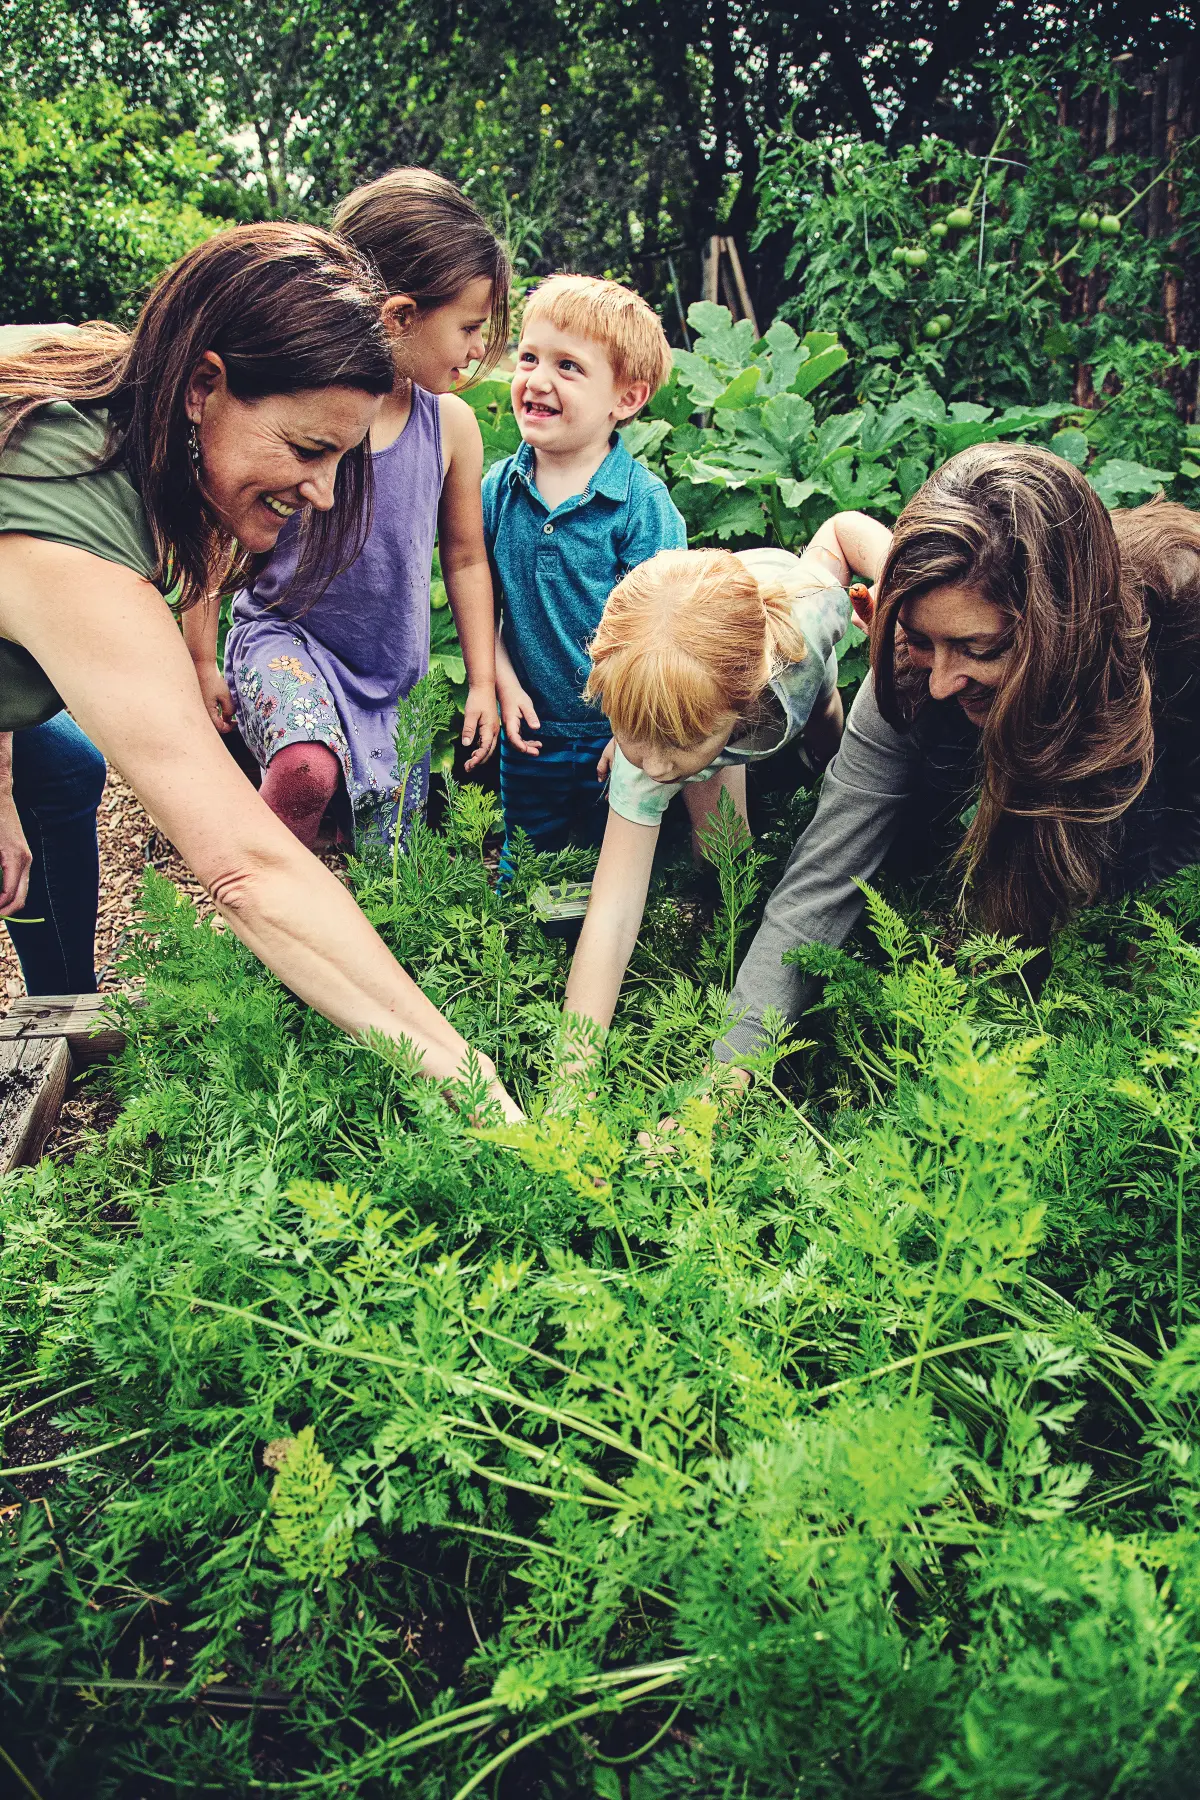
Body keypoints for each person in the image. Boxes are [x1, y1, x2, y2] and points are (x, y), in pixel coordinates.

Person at [0, 222, 519, 1114]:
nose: (322, 492)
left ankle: (52, 989)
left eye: (341, 459)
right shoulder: (71, 541)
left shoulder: (119, 391)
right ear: (207, 386)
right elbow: (246, 867)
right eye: (308, 450)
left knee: (62, 764)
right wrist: (471, 1085)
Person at [714, 444, 1200, 1067]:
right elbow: (823, 878)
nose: (941, 680)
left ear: (1060, 628)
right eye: (919, 640)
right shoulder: (914, 674)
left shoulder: (1181, 628)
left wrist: (1141, 932)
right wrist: (729, 1069)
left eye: (978, 648)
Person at [185, 171, 509, 850]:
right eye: (471, 327)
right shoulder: (306, 409)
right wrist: (201, 661)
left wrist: (482, 677)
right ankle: (258, 900)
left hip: (395, 677)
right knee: (306, 769)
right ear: (400, 316)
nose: (480, 348)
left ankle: (323, 925)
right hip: (284, 637)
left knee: (387, 865)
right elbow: (217, 529)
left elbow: (466, 556)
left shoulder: (450, 427)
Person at [562, 530, 860, 1030]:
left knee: (831, 746)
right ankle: (718, 892)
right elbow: (610, 920)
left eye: (674, 741)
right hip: (708, 689)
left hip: (797, 676)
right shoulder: (647, 765)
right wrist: (572, 1071)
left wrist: (901, 601)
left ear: (742, 703)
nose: (654, 767)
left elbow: (844, 530)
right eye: (630, 727)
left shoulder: (817, 606)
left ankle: (812, 761)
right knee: (724, 855)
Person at [484, 273, 686, 863]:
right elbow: (486, 605)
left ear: (626, 399)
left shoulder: (641, 505)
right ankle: (522, 953)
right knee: (527, 868)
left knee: (614, 871)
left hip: (612, 737)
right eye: (528, 357)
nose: (537, 380)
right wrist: (503, 680)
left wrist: (632, 731)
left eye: (568, 367)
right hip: (530, 730)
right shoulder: (498, 490)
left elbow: (661, 633)